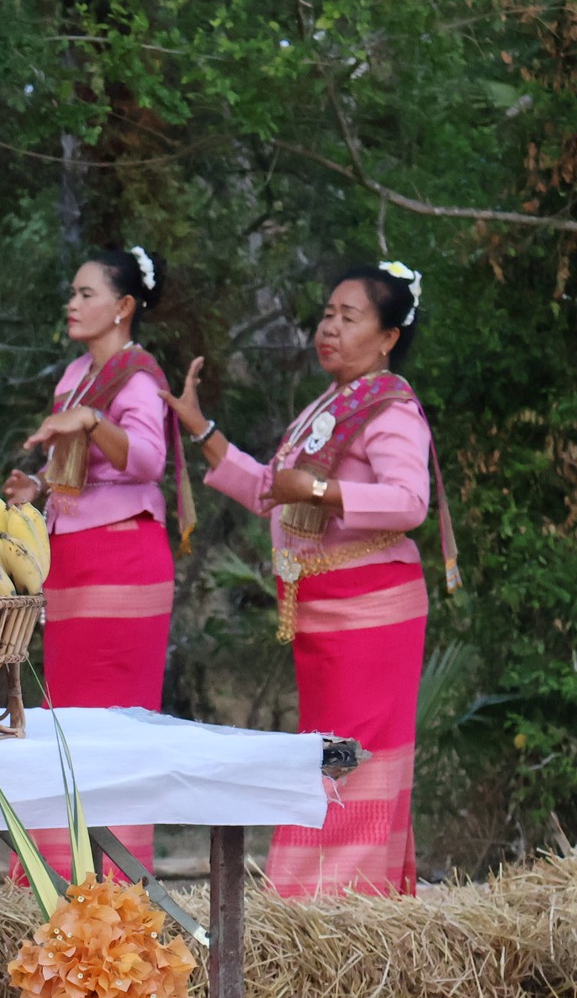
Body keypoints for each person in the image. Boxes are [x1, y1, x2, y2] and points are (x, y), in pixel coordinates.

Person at [163, 261, 454, 897]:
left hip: (371, 611)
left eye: (350, 318)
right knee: (333, 753)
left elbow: (410, 503)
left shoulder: (391, 409)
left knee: (354, 755)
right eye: (327, 315)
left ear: (388, 337)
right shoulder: (330, 405)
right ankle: (332, 898)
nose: (330, 328)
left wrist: (321, 490)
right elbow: (272, 490)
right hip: (326, 612)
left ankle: (329, 903)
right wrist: (202, 429)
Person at [4, 247, 188, 876]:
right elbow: (73, 469)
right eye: (73, 293)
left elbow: (148, 461)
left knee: (112, 722)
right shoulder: (76, 375)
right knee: (68, 715)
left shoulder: (138, 376)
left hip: (123, 556)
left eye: (87, 294)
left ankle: (113, 885)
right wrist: (36, 487)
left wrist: (91, 420)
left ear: (124, 307)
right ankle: (61, 878)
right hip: (73, 558)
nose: (73, 304)